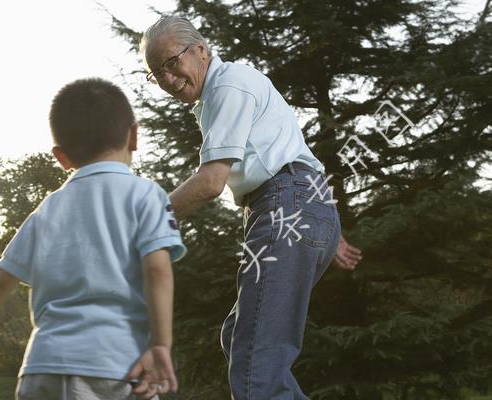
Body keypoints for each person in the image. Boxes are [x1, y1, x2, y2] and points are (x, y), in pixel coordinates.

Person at [0, 78, 186, 400]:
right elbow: (157, 271)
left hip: (42, 367)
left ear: (61, 157)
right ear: (133, 135)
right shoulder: (147, 195)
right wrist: (160, 344)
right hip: (115, 368)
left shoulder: (47, 209)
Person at [140, 16, 363, 399]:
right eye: (155, 73)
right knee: (243, 337)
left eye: (171, 62)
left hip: (283, 206)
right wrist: (326, 226)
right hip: (299, 208)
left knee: (256, 363)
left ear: (201, 50)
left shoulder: (228, 84)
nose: (166, 79)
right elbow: (295, 153)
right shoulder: (225, 91)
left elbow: (211, 183)